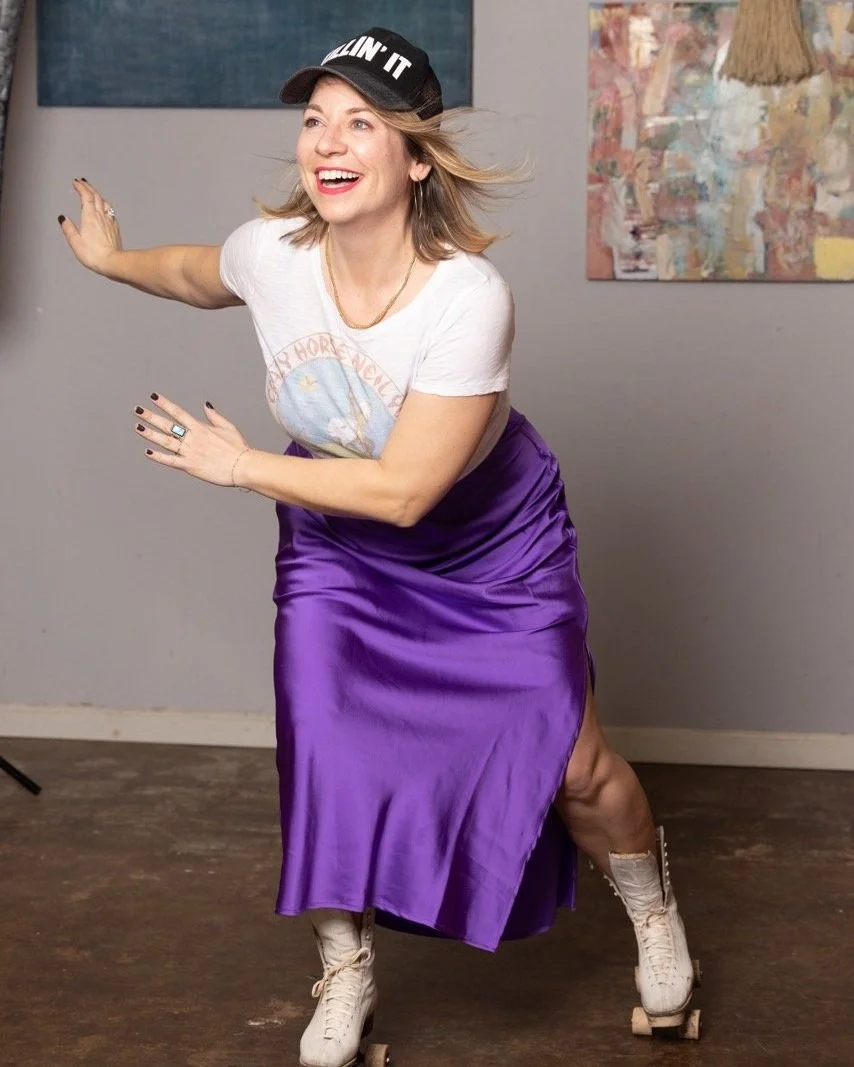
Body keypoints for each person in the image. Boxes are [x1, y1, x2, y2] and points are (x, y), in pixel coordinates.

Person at [59, 27, 698, 1067]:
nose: (328, 141)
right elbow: (193, 271)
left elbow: (404, 493)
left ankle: (654, 912)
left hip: (487, 544)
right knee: (325, 754)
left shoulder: (465, 297)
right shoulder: (273, 254)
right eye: (316, 119)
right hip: (335, 545)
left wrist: (242, 466)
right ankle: (345, 968)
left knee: (576, 767)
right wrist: (109, 261)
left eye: (360, 122)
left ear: (415, 157)